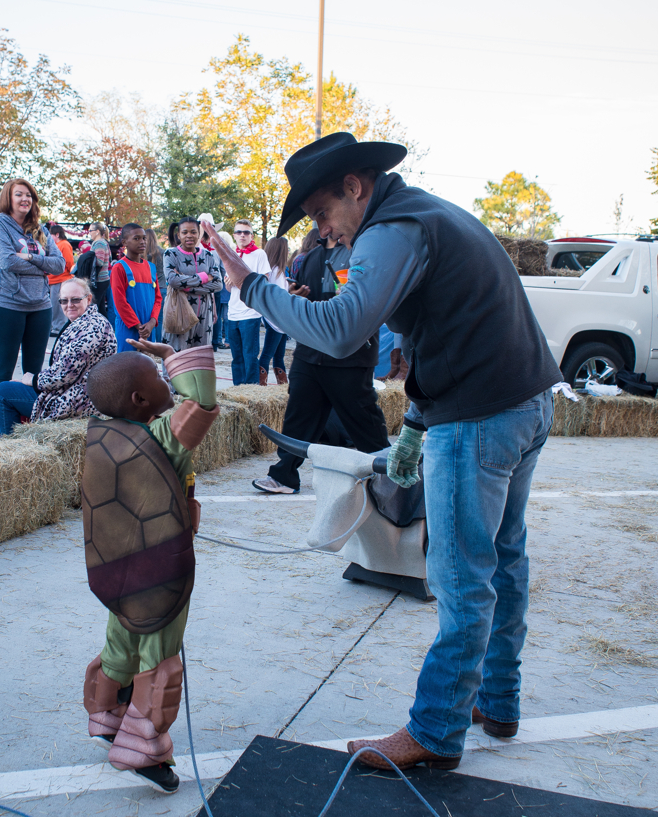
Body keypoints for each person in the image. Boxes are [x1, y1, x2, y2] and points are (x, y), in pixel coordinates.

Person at [204, 131, 561, 772]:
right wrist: (417, 424)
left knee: (460, 575)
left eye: (322, 214)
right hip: (525, 402)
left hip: (480, 416)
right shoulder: (428, 214)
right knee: (504, 556)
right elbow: (443, 329)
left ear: (355, 186)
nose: (322, 233)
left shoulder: (391, 230)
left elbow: (341, 331)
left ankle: (436, 730)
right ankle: (497, 698)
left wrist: (252, 288)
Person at [81, 339, 219, 793]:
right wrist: (173, 357)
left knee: (122, 639)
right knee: (159, 655)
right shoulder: (161, 439)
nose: (167, 384)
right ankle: (142, 747)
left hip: (119, 568)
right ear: (140, 399)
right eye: (159, 380)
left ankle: (106, 715)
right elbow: (201, 400)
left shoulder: (105, 435)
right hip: (160, 567)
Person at [252, 232, 389, 492]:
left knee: (364, 420)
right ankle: (284, 476)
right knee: (298, 416)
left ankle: (387, 474)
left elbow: (381, 298)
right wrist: (294, 295)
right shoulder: (311, 257)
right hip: (310, 350)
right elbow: (301, 300)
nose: (325, 225)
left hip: (350, 353)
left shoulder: (364, 250)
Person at [0, 276, 116, 436]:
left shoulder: (92, 327)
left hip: (78, 402)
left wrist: (33, 380)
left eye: (75, 300)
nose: (69, 305)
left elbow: (66, 372)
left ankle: (9, 447)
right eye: (64, 301)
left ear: (88, 299)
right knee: (11, 387)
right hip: (79, 395)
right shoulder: (87, 321)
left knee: (2, 392)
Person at [0, 178, 64, 403]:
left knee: (34, 372)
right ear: (8, 198)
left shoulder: (40, 230)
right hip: (6, 305)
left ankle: (31, 415)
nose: (25, 199)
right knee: (4, 368)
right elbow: (7, 261)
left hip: (40, 307)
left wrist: (30, 257)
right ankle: (0, 416)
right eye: (19, 194)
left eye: (28, 195)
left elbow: (59, 264)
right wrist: (43, 266)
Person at [162, 216, 223, 352]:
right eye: (185, 232)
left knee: (200, 356)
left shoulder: (208, 255)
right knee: (176, 355)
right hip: (179, 313)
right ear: (179, 235)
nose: (189, 235)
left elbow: (218, 284)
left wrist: (186, 287)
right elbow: (173, 280)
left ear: (199, 233)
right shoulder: (171, 254)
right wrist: (203, 277)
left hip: (204, 316)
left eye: (193, 232)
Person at [225, 219, 270, 385]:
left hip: (250, 312)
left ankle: (251, 390)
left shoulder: (259, 254)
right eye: (239, 232)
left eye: (246, 232)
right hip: (233, 312)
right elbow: (229, 289)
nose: (242, 235)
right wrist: (229, 282)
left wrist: (242, 280)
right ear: (234, 235)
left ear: (252, 235)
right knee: (236, 356)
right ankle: (238, 389)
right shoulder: (231, 255)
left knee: (250, 356)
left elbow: (265, 280)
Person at [110, 223, 161, 353]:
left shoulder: (151, 267)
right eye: (136, 238)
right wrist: (138, 326)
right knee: (127, 363)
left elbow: (158, 299)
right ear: (124, 242)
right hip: (128, 329)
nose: (142, 242)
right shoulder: (119, 268)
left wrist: (152, 323)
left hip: (148, 329)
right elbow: (120, 302)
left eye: (144, 238)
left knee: (147, 363)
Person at [257, 236, 290, 385]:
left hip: (279, 320)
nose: (288, 252)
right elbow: (278, 297)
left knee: (278, 356)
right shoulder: (275, 272)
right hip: (276, 319)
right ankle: (260, 385)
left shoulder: (276, 271)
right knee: (267, 354)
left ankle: (282, 386)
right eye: (286, 249)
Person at [74, 222, 112, 320]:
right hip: (102, 280)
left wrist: (85, 258)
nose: (89, 233)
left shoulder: (99, 243)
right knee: (101, 309)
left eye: (91, 230)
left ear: (97, 231)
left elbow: (99, 262)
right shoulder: (101, 242)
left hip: (99, 281)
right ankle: (106, 328)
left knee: (91, 308)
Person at [46, 222, 75, 334]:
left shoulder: (64, 245)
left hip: (61, 279)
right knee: (54, 304)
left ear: (57, 234)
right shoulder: (57, 245)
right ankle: (56, 326)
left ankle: (58, 327)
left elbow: (69, 262)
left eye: (51, 235)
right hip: (54, 279)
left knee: (58, 305)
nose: (49, 238)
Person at [143, 226, 167, 340]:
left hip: (149, 289)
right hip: (163, 287)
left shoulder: (143, 255)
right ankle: (159, 344)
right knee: (159, 319)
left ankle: (149, 342)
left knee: (148, 318)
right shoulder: (163, 252)